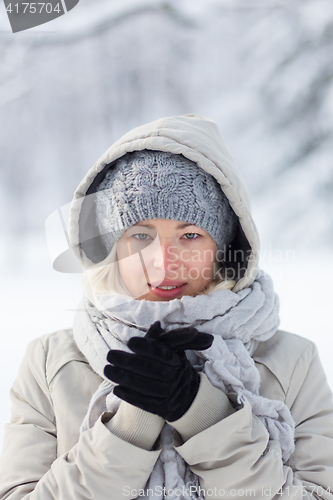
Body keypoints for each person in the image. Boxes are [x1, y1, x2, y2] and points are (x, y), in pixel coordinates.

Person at [0, 114, 332, 500]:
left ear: (224, 248)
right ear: (113, 247)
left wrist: (205, 413)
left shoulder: (292, 362)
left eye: (190, 235)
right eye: (140, 235)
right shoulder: (50, 363)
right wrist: (131, 425)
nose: (164, 263)